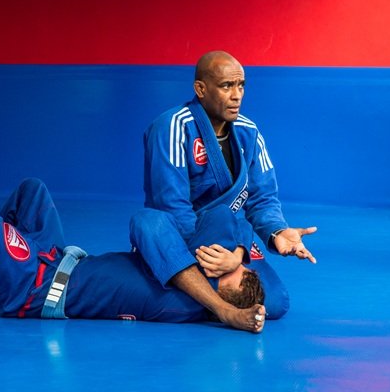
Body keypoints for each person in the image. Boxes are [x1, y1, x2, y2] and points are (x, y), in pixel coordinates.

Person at [0, 178, 266, 332]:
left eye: (220, 273)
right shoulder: (186, 275)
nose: (214, 263)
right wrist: (237, 257)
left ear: (212, 293)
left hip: (34, 286)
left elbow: (216, 215)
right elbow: (224, 218)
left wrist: (229, 312)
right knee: (33, 191)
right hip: (56, 258)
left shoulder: (186, 299)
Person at [131, 51, 317, 320]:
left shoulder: (249, 131)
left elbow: (262, 199)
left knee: (275, 302)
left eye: (241, 85)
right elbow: (172, 206)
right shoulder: (173, 126)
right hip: (183, 240)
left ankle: (184, 290)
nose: (237, 95)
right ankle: (206, 295)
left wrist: (273, 233)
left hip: (229, 237)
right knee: (152, 223)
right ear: (201, 89)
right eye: (226, 86)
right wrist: (218, 257)